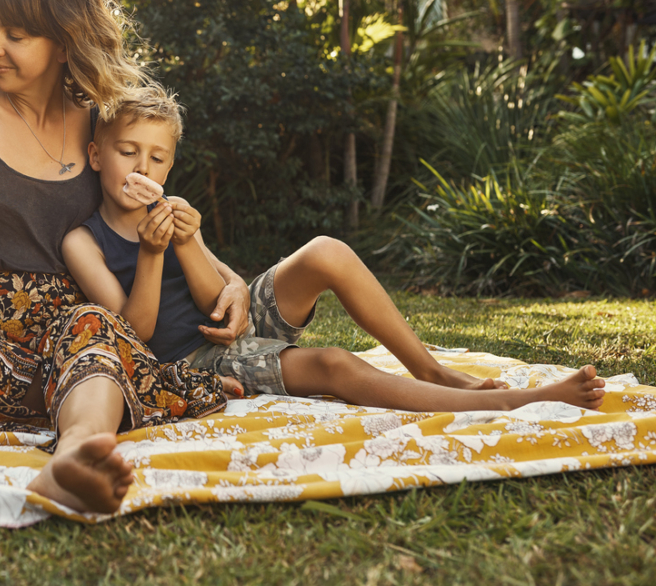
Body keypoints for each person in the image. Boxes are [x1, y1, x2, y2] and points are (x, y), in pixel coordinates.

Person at [0, 0, 244, 515]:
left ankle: (73, 455)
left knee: (93, 326)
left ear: (63, 42)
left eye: (16, 34)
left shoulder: (101, 118)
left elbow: (153, 210)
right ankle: (107, 397)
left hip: (77, 335)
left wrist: (232, 280)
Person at [61, 82, 608, 412]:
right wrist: (154, 254)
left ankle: (429, 368)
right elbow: (133, 335)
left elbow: (217, 293)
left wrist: (202, 258)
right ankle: (508, 402)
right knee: (333, 364)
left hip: (230, 324)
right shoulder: (83, 242)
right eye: (128, 151)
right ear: (96, 155)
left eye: (157, 157)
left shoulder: (175, 212)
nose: (142, 167)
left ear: (170, 165)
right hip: (192, 357)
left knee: (327, 249)